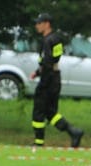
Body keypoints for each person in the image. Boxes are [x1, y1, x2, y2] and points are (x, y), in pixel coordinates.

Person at [30, 13, 83, 149]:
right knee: (50, 112)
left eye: (39, 23)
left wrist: (43, 81)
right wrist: (37, 72)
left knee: (38, 111)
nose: (37, 25)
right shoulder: (56, 39)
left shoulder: (48, 40)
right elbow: (53, 59)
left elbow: (48, 62)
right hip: (55, 78)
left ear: (47, 24)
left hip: (48, 79)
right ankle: (74, 132)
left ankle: (38, 143)